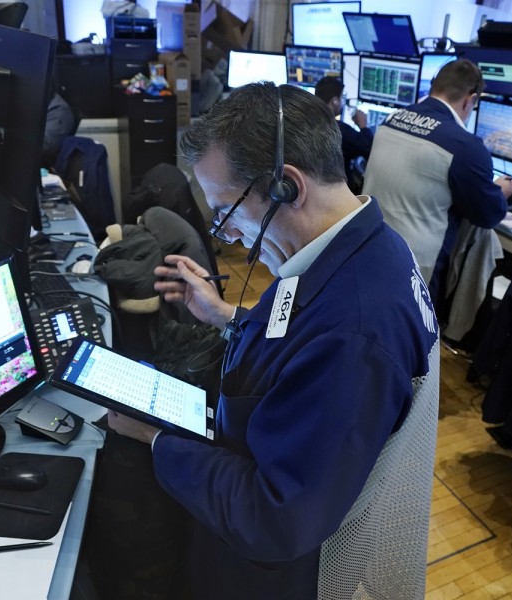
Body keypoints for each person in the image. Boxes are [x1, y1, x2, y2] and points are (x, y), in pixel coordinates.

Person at [105, 82, 441, 599]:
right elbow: (297, 339)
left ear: (288, 186)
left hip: (275, 571)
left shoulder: (355, 333)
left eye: (227, 210)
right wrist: (224, 315)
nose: (228, 235)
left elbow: (273, 518)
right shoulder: (351, 245)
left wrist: (157, 439)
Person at [361, 58, 512, 304]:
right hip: (415, 269)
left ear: (435, 86)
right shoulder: (464, 146)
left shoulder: (391, 120)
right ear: (470, 99)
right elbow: (487, 215)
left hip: (367, 248)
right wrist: (501, 191)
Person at [314, 76, 373, 191]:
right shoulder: (339, 129)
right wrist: (363, 125)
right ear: (335, 100)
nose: (342, 102)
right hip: (339, 190)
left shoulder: (308, 120)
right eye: (342, 98)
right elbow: (367, 147)